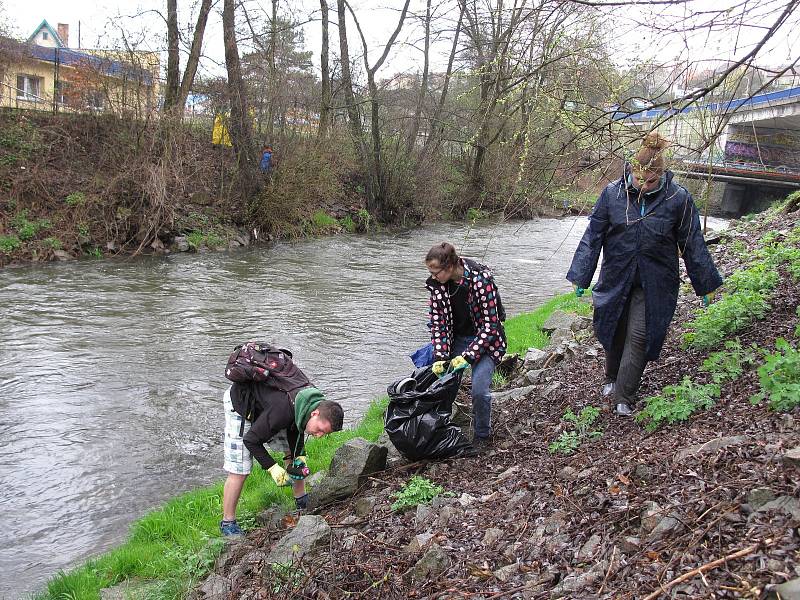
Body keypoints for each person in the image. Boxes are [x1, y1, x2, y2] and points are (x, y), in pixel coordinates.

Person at [566, 132, 722, 416]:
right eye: (640, 180)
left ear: (661, 175)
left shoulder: (678, 198)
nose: (645, 185)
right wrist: (581, 275)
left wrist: (706, 283)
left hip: (656, 281)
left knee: (639, 334)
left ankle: (623, 397)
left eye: (652, 181)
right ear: (632, 172)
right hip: (616, 276)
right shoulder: (612, 194)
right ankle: (610, 378)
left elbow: (692, 243)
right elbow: (593, 236)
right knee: (614, 328)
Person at [220, 374, 344, 537]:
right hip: (241, 402)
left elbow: (297, 427)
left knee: (293, 456)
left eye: (324, 433)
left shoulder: (310, 401)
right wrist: (273, 468)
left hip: (270, 407)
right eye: (320, 430)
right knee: (240, 469)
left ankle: (301, 500)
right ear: (315, 413)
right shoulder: (283, 411)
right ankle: (228, 523)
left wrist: (300, 456)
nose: (319, 435)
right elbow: (251, 441)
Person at [424, 242, 506, 451]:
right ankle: (440, 430)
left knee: (479, 390)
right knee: (442, 385)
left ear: (450, 265)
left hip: (487, 341)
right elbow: (439, 324)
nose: (433, 276)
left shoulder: (480, 280)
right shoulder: (438, 286)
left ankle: (481, 435)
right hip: (456, 340)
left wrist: (468, 356)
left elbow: (491, 325)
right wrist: (441, 356)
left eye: (436, 272)